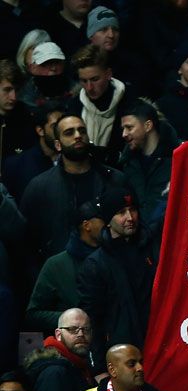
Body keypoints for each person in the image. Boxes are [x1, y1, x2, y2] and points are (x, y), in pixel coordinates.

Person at [19, 113, 128, 261]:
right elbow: (26, 241)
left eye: (82, 131)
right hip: (60, 272)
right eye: (69, 132)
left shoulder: (114, 179)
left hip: (109, 266)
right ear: (58, 145)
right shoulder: (39, 187)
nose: (78, 135)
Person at [76, 185, 157, 363]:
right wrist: (99, 367)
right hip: (120, 357)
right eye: (121, 212)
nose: (130, 218)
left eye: (133, 210)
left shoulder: (153, 251)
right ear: (107, 219)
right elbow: (93, 319)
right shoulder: (96, 264)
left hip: (157, 348)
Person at [24, 200, 103, 333]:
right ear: (87, 225)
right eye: (102, 220)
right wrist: (70, 320)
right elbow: (33, 315)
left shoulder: (113, 259)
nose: (108, 225)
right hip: (71, 346)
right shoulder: (56, 265)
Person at [115, 98, 178, 222]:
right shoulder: (127, 163)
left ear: (148, 125)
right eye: (123, 128)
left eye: (129, 127)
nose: (124, 134)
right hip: (140, 237)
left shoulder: (179, 158)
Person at [66, 44, 130, 165]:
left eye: (95, 79)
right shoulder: (75, 106)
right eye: (84, 81)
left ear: (108, 74)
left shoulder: (129, 104)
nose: (89, 87)